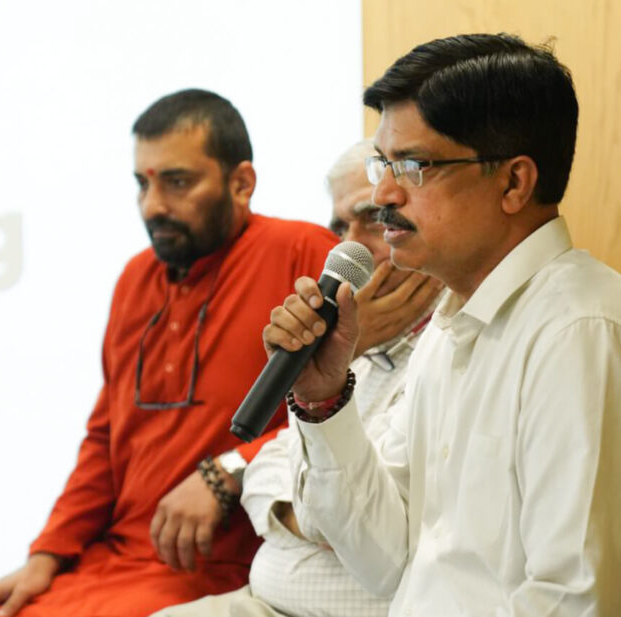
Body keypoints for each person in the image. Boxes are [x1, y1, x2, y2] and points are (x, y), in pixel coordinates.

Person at [264, 33, 621, 615]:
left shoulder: (582, 336)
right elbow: (389, 560)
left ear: (514, 183)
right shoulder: (451, 328)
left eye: (415, 166)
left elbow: (581, 601)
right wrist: (324, 403)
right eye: (384, 163)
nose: (383, 193)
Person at [0, 89, 340, 617]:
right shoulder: (136, 279)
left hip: (216, 567)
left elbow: (344, 408)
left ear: (241, 183)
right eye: (143, 183)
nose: (153, 205)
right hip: (112, 560)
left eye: (178, 182)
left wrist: (229, 469)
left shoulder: (303, 254)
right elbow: (105, 438)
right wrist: (46, 555)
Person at [154, 140, 443, 617]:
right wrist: (303, 507)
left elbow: (359, 530)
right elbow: (270, 464)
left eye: (371, 219)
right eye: (337, 227)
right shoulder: (360, 343)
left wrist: (300, 509)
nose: (345, 246)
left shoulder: (443, 346)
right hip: (262, 601)